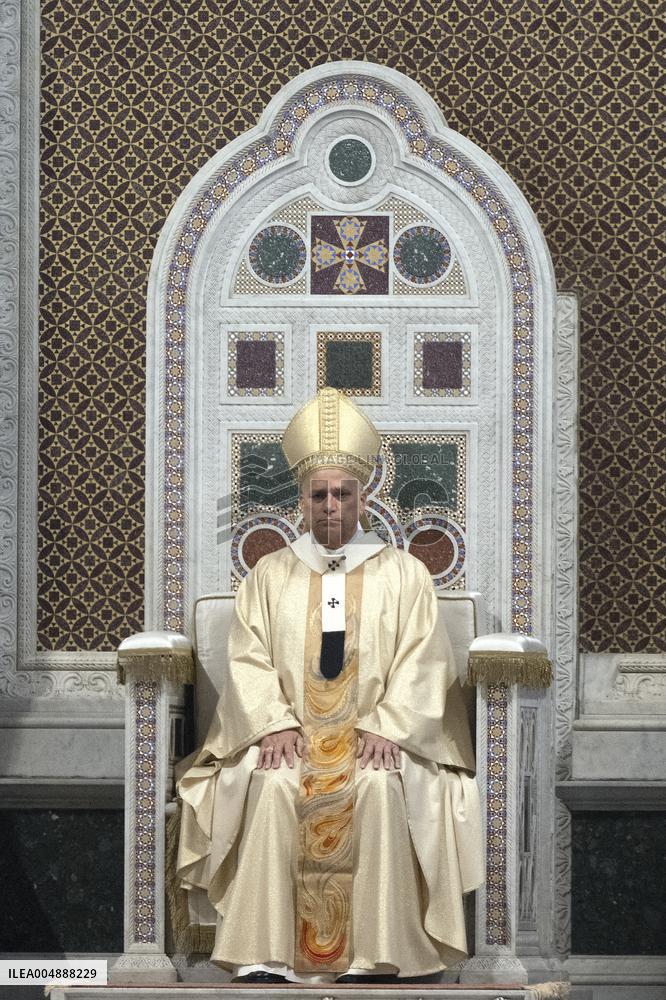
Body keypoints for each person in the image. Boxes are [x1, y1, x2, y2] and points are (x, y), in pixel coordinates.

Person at [176, 387, 483, 984]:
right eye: (318, 494)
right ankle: (265, 952)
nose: (330, 506)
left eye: (342, 494)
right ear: (301, 498)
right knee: (270, 784)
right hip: (290, 735)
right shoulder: (269, 574)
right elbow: (248, 657)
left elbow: (424, 660)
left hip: (376, 736)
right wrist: (273, 723)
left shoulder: (405, 574)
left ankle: (379, 953)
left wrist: (389, 729)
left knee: (376, 787)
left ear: (363, 496)